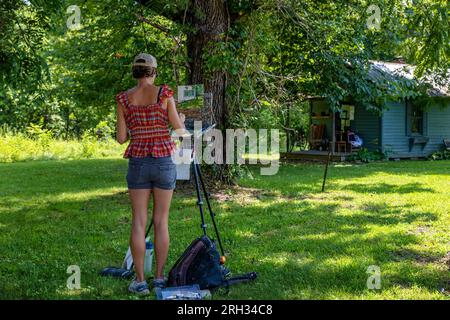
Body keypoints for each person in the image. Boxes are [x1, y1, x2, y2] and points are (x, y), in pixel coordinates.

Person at [115, 53, 186, 295]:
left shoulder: (124, 99)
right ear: (154, 72)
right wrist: (181, 120)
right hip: (163, 162)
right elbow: (179, 129)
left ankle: (140, 280)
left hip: (138, 162)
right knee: (161, 221)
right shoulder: (164, 94)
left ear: (134, 72)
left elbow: (121, 138)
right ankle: (158, 277)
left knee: (138, 221)